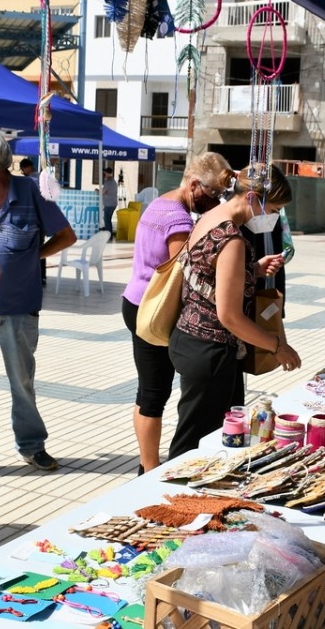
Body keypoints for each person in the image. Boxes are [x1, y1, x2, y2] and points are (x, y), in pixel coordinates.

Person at [0, 128, 77, 481]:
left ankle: (31, 445)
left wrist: (33, 257)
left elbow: (66, 235)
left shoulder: (31, 191)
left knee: (22, 381)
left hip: (20, 306)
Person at [168, 164, 302, 459]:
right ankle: (161, 501)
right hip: (211, 351)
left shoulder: (210, 217)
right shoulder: (232, 239)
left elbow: (208, 274)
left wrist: (251, 270)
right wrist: (277, 346)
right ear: (254, 197)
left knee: (210, 436)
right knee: (193, 447)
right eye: (275, 208)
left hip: (190, 339)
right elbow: (230, 316)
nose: (276, 216)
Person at [121, 152, 232, 474]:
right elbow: (186, 274)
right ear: (195, 184)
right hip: (154, 310)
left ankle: (147, 465)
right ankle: (150, 469)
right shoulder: (180, 221)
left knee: (150, 391)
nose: (213, 203)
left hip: (137, 301)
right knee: (154, 393)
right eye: (211, 195)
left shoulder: (160, 203)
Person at [101, 166, 119, 238]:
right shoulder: (113, 182)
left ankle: (109, 235)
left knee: (107, 219)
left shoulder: (108, 182)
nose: (104, 174)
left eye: (105, 173)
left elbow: (103, 192)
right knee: (108, 219)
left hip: (109, 204)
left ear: (108, 173)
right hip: (113, 203)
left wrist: (99, 191)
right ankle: (109, 234)